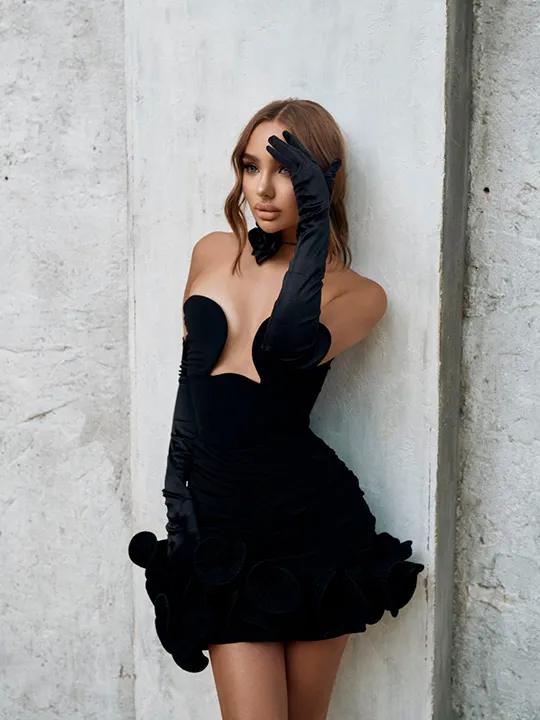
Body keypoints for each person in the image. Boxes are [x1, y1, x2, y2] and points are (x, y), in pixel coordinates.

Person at [128, 98, 424, 720]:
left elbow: (287, 345)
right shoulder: (213, 251)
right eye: (249, 165)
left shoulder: (359, 294)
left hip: (309, 526)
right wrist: (178, 506)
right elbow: (189, 384)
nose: (262, 188)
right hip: (220, 527)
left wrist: (314, 228)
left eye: (287, 171)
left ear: (322, 181)